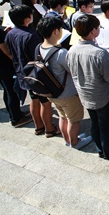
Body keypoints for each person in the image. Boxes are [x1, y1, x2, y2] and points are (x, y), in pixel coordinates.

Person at [67, 14, 109, 162]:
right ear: (93, 31)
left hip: (85, 95)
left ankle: (100, 149)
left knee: (95, 124)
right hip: (103, 96)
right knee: (106, 127)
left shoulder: (72, 50)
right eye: (98, 27)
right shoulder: (99, 54)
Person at [36, 17, 92, 149]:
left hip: (52, 92)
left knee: (63, 116)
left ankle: (68, 140)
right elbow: (73, 71)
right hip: (68, 93)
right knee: (74, 119)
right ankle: (75, 142)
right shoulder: (61, 52)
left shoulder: (39, 47)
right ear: (56, 31)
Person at [5, 5, 59, 137]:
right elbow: (39, 54)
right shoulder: (31, 35)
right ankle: (49, 128)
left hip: (22, 72)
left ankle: (38, 126)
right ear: (27, 18)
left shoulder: (10, 33)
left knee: (34, 99)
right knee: (45, 103)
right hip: (36, 74)